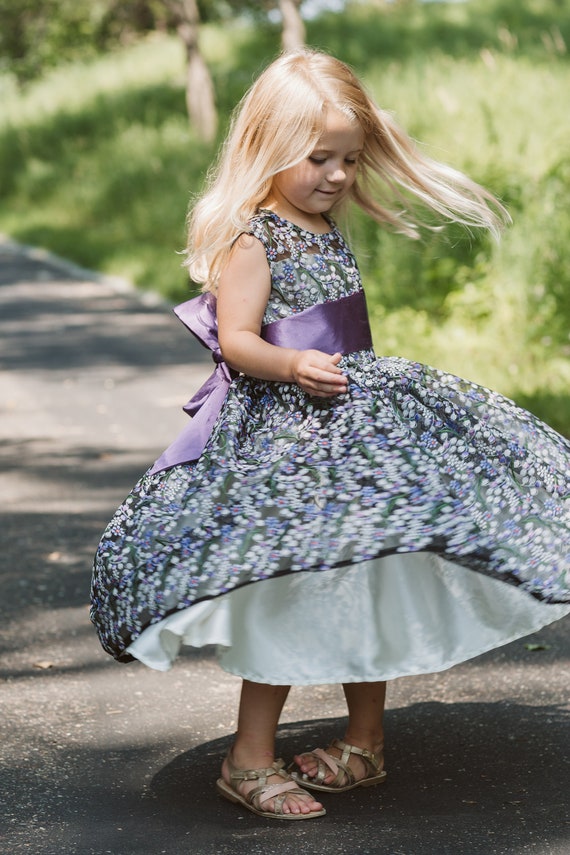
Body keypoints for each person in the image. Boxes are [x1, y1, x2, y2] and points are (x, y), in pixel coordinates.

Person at [90, 49, 570, 821]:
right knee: (290, 583)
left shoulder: (324, 223)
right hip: (290, 437)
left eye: (350, 159)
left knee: (373, 564)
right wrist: (290, 362)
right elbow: (236, 338)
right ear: (269, 147)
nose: (340, 175)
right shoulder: (256, 239)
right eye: (320, 158)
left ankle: (365, 741)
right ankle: (248, 757)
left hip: (355, 435)